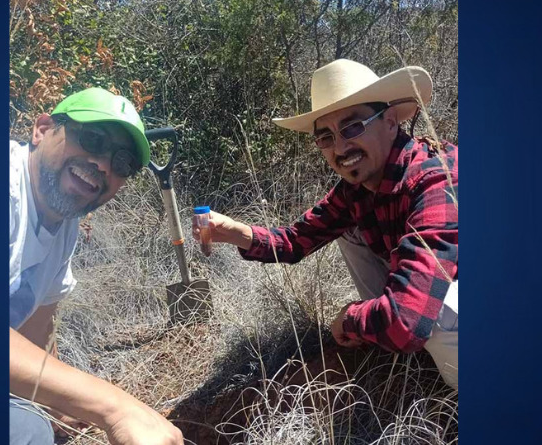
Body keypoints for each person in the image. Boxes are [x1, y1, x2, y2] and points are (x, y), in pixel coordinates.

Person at [191, 59, 459, 390]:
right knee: (350, 228)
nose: (341, 147)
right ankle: (404, 354)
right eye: (326, 137)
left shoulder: (435, 180)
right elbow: (294, 241)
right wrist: (233, 232)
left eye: (352, 127)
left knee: (444, 308)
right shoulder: (355, 191)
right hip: (416, 317)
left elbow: (408, 319)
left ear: (390, 122)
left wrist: (351, 317)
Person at [10, 87, 184, 444]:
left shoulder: (63, 224)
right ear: (42, 129)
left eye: (122, 163)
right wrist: (115, 407)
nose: (103, 164)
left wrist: (57, 402)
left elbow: (37, 329)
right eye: (92, 138)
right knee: (27, 433)